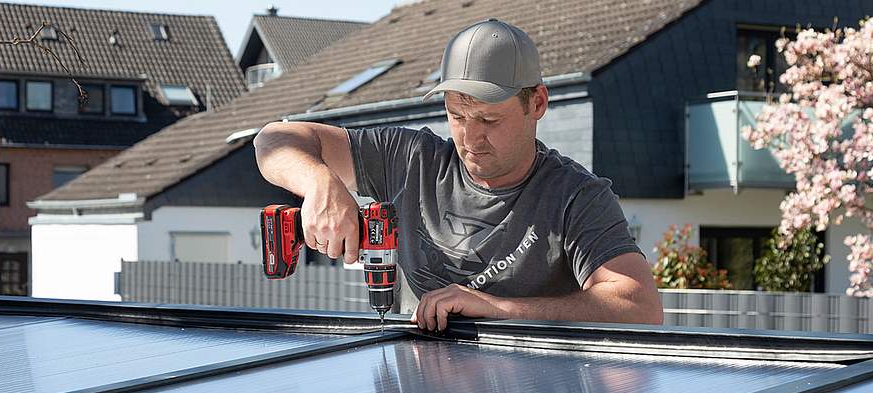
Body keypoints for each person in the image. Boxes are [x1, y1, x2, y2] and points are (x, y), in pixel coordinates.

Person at [254, 19, 663, 331]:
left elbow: (640, 307)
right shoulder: (409, 159)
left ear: (537, 103)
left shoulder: (576, 197)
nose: (471, 138)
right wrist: (320, 184)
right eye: (456, 115)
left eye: (488, 118)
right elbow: (273, 139)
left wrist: (499, 309)